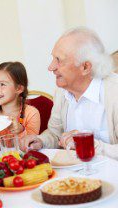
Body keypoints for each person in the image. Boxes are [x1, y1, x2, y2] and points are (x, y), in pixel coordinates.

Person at [21, 27, 118, 160]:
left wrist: (88, 144)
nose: (51, 67)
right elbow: (55, 134)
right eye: (53, 58)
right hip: (74, 178)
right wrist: (41, 140)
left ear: (85, 67)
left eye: (59, 60)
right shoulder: (62, 92)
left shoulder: (114, 93)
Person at [0, 62, 40, 151]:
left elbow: (30, 148)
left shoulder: (31, 113)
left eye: (2, 84)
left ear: (19, 88)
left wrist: (20, 130)